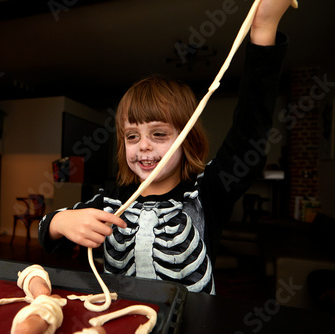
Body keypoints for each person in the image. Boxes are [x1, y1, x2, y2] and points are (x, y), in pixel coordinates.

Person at [39, 0, 292, 294]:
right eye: (132, 136)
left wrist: (263, 29)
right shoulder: (110, 202)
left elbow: (250, 131)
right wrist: (60, 220)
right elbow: (46, 230)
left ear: (187, 140)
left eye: (158, 134)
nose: (143, 146)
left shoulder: (208, 191)